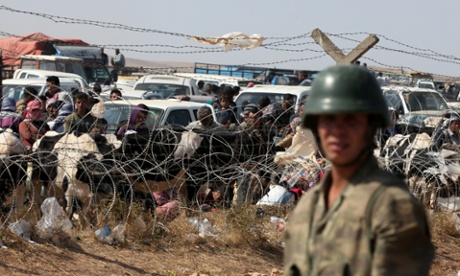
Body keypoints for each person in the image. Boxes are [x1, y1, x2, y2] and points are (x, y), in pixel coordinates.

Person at [284, 65, 434, 275]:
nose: (337, 131)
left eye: (351, 120)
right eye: (328, 119)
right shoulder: (311, 203)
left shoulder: (393, 206)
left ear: (371, 125)